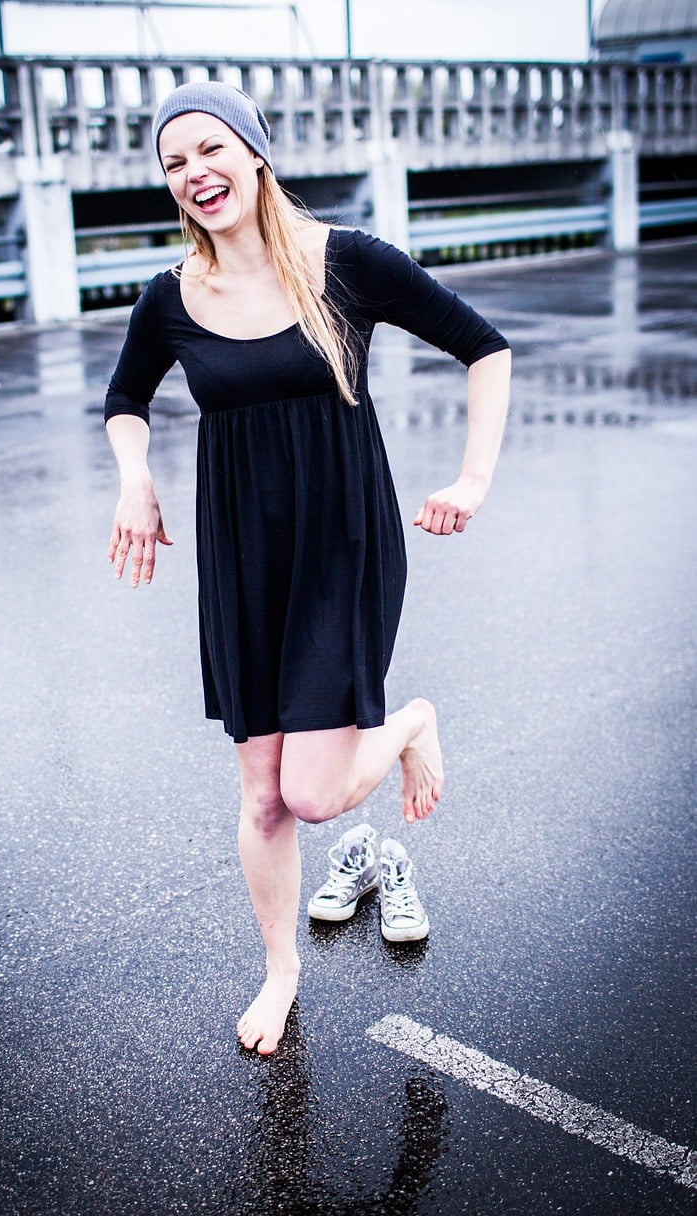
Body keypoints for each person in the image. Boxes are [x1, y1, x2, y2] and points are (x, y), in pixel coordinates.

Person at [104, 81, 511, 1056]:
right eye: (173, 162)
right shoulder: (171, 296)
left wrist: (471, 478)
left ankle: (409, 720)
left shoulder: (347, 263)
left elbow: (482, 346)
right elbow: (124, 399)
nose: (195, 173)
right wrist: (135, 479)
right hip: (241, 558)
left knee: (315, 793)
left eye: (210, 148)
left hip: (341, 544)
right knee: (260, 792)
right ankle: (281, 969)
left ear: (254, 152)